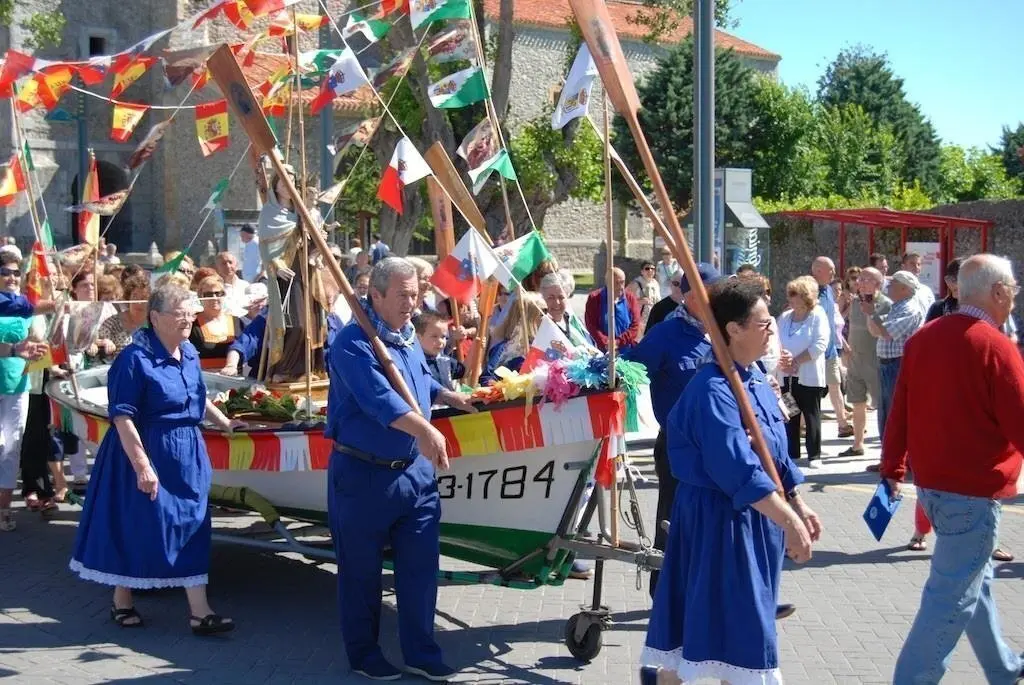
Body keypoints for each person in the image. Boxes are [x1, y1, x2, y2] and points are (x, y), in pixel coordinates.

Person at [641, 279, 819, 685]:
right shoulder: (713, 389)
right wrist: (789, 521)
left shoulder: (754, 377)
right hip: (718, 522)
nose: (772, 330)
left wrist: (797, 500)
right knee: (735, 641)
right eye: (762, 324)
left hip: (755, 521)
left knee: (723, 643)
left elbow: (775, 449)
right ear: (733, 330)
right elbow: (736, 466)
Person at [326, 257, 474, 681]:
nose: (413, 302)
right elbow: (381, 402)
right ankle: (363, 654)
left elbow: (417, 383)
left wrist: (448, 396)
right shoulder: (353, 343)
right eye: (404, 295)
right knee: (361, 574)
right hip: (363, 476)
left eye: (416, 293)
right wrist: (426, 431)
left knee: (420, 568)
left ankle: (421, 652)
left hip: (415, 476)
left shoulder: (407, 337)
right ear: (376, 295)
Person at [69, 283, 245, 633]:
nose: (189, 319)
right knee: (140, 525)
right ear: (155, 317)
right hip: (146, 450)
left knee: (193, 524)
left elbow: (197, 396)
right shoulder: (133, 360)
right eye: (180, 313)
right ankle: (122, 599)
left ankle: (200, 611)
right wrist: (143, 466)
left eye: (190, 312)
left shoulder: (190, 353)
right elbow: (122, 416)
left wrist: (225, 423)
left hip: (187, 452)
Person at [881, 254, 1024, 684]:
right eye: (1013, 287)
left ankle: (1004, 668)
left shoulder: (926, 337)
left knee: (970, 583)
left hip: (933, 487)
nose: (1015, 294)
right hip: (971, 491)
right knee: (949, 597)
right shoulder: (995, 346)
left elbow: (899, 410)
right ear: (998, 292)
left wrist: (892, 466)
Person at [623, 261, 721, 597]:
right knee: (673, 520)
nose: (718, 299)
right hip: (678, 446)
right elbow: (631, 371)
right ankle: (662, 593)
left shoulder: (720, 332)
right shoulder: (667, 332)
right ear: (692, 297)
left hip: (716, 446)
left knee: (713, 522)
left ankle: (707, 594)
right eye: (713, 293)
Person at [776, 276, 830, 467]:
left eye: (795, 295)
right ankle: (792, 452)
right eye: (790, 295)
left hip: (808, 375)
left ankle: (814, 455)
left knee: (811, 414)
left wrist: (796, 361)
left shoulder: (818, 315)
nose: (791, 299)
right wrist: (782, 359)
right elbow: (775, 342)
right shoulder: (784, 317)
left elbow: (820, 344)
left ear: (806, 297)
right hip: (786, 375)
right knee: (790, 413)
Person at [867, 270, 924, 443]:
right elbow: (875, 330)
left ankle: (896, 459)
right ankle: (887, 456)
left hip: (897, 365)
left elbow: (885, 332)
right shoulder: (896, 306)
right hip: (887, 365)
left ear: (905, 289)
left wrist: (871, 313)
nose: (888, 287)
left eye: (893, 284)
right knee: (885, 411)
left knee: (895, 412)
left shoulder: (910, 308)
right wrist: (871, 313)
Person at [841, 267, 890, 458]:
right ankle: (857, 444)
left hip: (875, 361)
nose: (859, 283)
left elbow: (883, 331)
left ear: (877, 284)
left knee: (882, 407)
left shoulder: (885, 304)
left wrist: (871, 312)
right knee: (857, 403)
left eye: (865, 280)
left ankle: (885, 451)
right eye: (859, 279)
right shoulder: (854, 302)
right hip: (855, 360)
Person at [0, 252, 32, 531]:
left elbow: (36, 344)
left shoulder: (25, 308)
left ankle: (5, 508)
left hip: (17, 385)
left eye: (15, 274)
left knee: (11, 447)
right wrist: (13, 349)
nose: (11, 278)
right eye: (5, 273)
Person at [811, 257, 852, 437]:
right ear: (818, 270)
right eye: (831, 270)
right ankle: (802, 424)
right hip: (813, 351)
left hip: (830, 350)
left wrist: (841, 342)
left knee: (835, 386)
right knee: (812, 390)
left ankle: (843, 424)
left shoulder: (828, 290)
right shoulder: (809, 290)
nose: (835, 274)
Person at [189, 273, 243, 372]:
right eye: (208, 294)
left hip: (235, 380)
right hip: (205, 379)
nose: (214, 298)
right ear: (200, 297)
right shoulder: (191, 323)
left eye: (218, 293)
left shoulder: (237, 322)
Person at [583, 267, 641, 352]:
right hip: (603, 350)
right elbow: (591, 325)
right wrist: (606, 343)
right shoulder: (595, 298)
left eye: (622, 282)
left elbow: (635, 325)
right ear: (608, 283)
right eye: (617, 283)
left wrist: (618, 343)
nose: (621, 286)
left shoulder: (630, 298)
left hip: (627, 349)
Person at [539, 272, 593, 349]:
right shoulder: (539, 325)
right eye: (551, 297)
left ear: (567, 296)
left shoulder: (573, 320)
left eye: (561, 297)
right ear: (543, 297)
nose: (557, 302)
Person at [415, 310, 464, 392]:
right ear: (418, 337)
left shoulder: (444, 360)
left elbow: (464, 372)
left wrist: (476, 346)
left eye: (443, 337)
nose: (441, 341)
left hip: (450, 403)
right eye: (434, 336)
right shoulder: (416, 363)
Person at [628, 261, 661, 333]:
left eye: (652, 269)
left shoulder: (655, 283)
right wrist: (639, 301)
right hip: (639, 320)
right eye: (647, 268)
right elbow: (624, 300)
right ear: (642, 271)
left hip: (652, 319)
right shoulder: (635, 284)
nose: (650, 271)